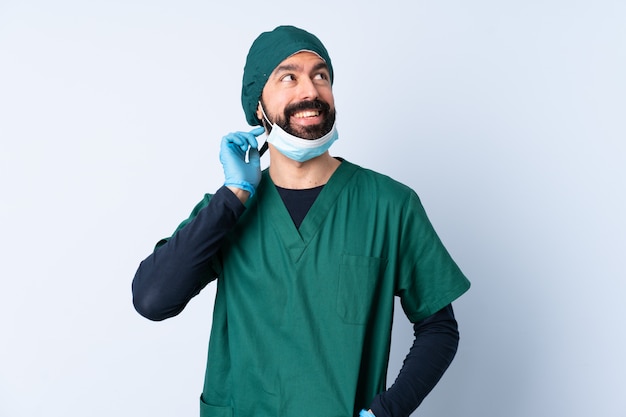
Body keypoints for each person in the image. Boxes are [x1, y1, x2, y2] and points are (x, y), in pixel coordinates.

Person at [132, 25, 470, 417]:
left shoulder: (389, 205)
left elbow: (439, 329)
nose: (310, 90)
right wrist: (234, 195)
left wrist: (387, 411)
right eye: (288, 77)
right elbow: (152, 300)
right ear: (258, 107)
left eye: (320, 76)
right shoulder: (228, 211)